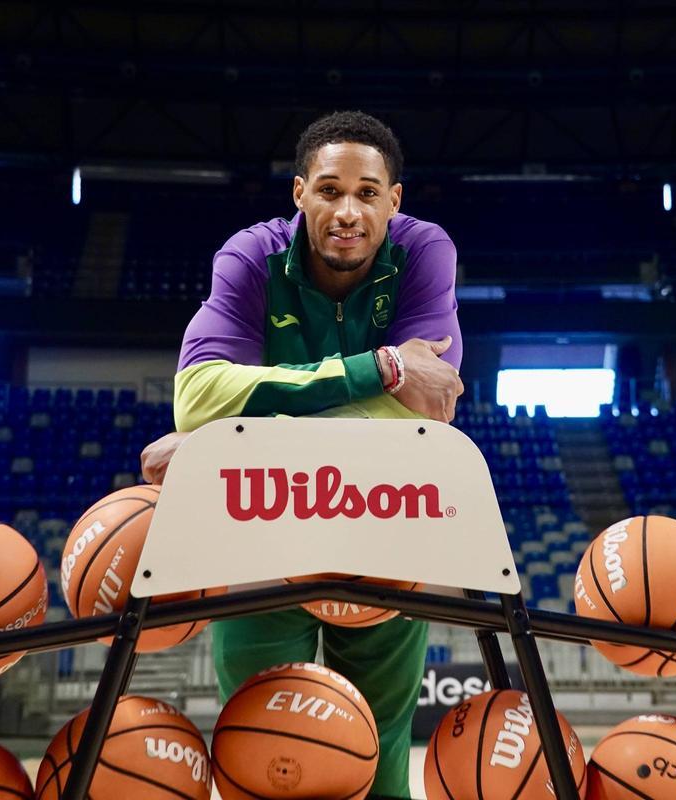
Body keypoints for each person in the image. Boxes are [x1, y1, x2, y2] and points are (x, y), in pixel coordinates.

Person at [141, 110, 464, 797]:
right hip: (262, 532)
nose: (348, 211)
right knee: (263, 764)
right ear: (299, 194)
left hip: (385, 526)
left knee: (380, 767)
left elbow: (428, 408)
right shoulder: (249, 257)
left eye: (368, 193)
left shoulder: (426, 251)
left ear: (393, 200)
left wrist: (232, 437)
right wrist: (377, 369)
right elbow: (196, 399)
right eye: (329, 190)